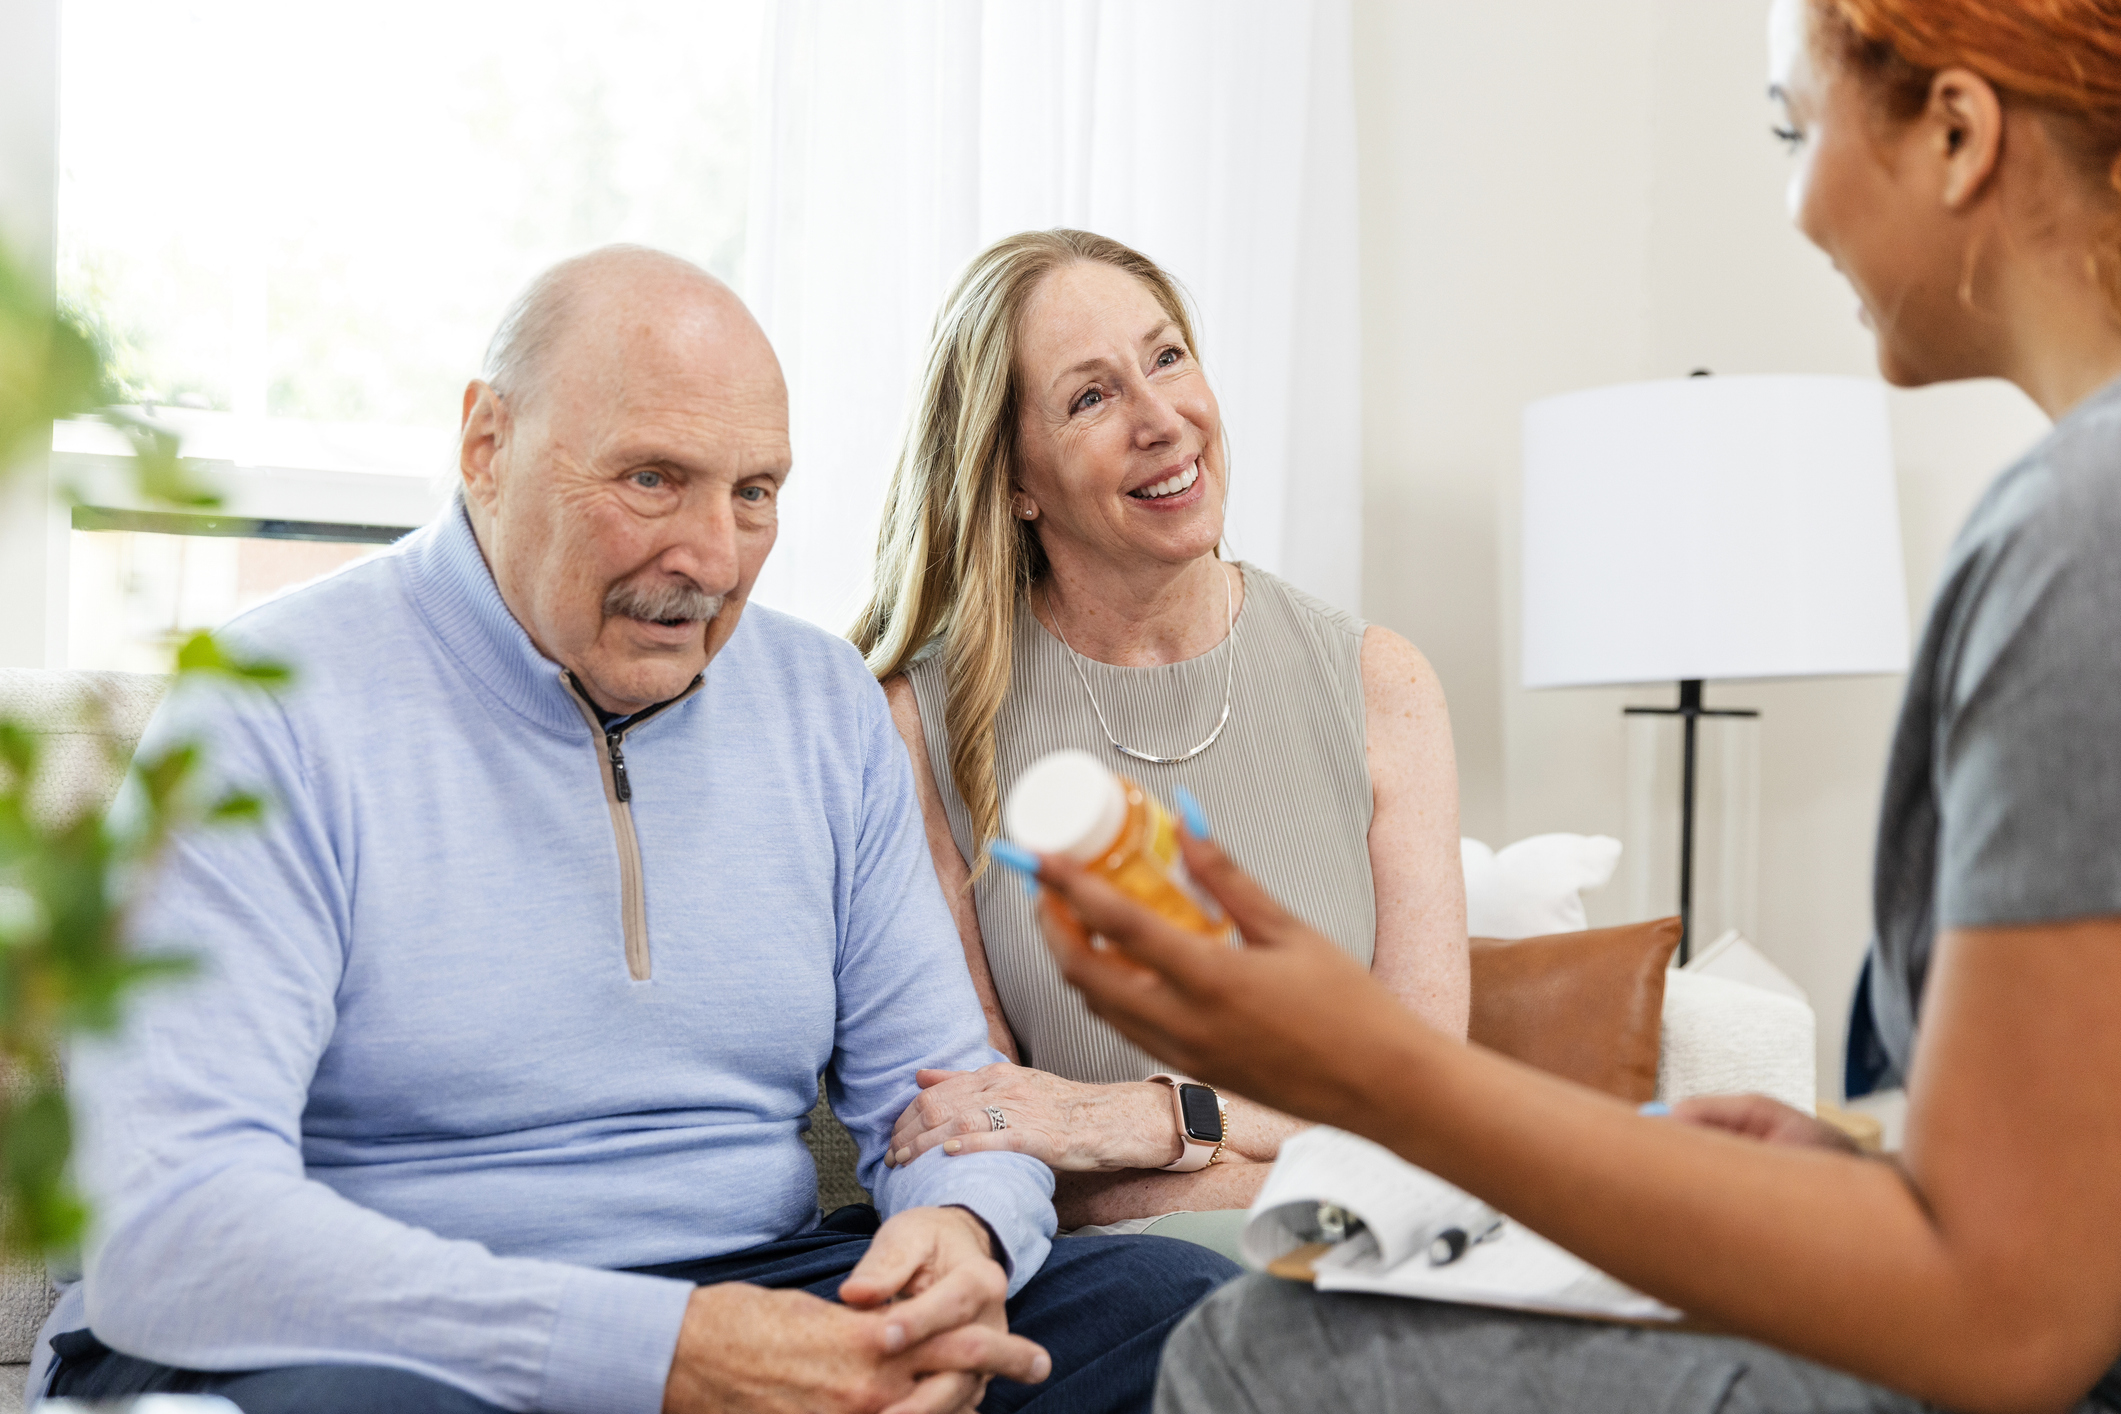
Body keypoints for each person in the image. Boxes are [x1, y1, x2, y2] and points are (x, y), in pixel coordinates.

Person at [1007, 0, 2121, 1409]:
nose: (1795, 205)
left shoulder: (2077, 538)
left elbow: (2012, 1321)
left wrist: (1350, 1059)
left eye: (1793, 128)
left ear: (1957, 134)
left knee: (1255, 1351)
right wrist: (1862, 1172)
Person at [31, 246, 1236, 1414]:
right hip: (380, 1326)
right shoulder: (267, 703)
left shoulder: (822, 704)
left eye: (753, 493)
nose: (712, 558)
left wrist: (958, 1237)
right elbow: (170, 1226)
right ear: (487, 445)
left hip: (751, 1284)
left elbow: (951, 1097)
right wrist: (657, 1355)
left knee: (1185, 1315)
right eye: (653, 479)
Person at [848, 230, 1469, 1252]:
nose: (1162, 419)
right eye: (1091, 397)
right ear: (1014, 477)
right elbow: (980, 1132)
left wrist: (1154, 1120)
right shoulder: (918, 724)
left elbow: (1433, 1106)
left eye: (1168, 357)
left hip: (1369, 1250)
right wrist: (1266, 1179)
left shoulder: (1380, 683)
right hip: (1123, 1278)